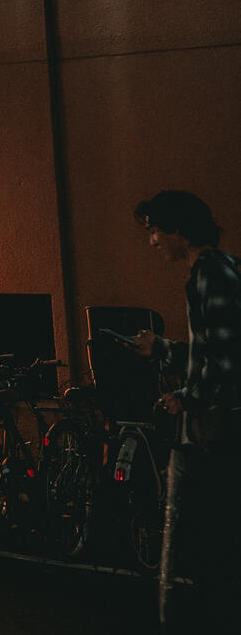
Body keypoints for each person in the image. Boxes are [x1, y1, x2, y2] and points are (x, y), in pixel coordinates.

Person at [130, 191, 240, 622]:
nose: (153, 241)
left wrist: (187, 398)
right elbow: (208, 351)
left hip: (216, 430)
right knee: (209, 540)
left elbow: (227, 357)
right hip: (211, 427)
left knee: (201, 541)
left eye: (155, 230)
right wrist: (161, 348)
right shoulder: (216, 271)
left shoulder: (211, 273)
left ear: (179, 230)